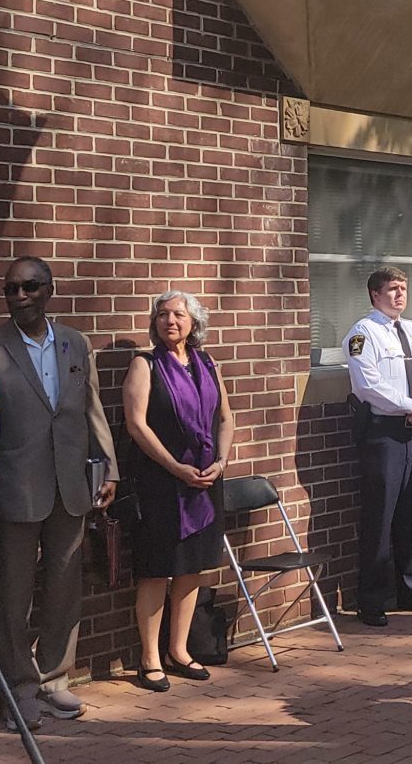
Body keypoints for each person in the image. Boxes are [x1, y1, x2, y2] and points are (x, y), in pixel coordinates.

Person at [0, 256, 119, 726]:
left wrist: (110, 469)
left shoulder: (75, 343)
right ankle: (17, 687)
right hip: (15, 488)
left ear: (49, 290)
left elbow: (91, 408)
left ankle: (55, 677)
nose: (19, 297)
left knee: (64, 587)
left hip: (71, 486)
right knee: (11, 596)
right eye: (11, 289)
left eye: (30, 287)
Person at [121, 290, 236, 688]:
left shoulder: (207, 363)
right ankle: (149, 657)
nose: (170, 321)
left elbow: (225, 417)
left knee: (191, 571)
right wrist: (175, 467)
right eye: (163, 314)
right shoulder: (145, 365)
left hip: (204, 482)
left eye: (179, 315)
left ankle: (179, 649)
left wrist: (219, 463)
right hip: (160, 482)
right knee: (156, 571)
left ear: (194, 322)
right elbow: (137, 426)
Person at [344, 266, 412, 626]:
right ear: (375, 295)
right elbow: (367, 385)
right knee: (379, 514)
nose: (399, 295)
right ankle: (371, 599)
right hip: (383, 433)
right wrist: (409, 405)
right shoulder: (363, 333)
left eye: (403, 288)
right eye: (392, 289)